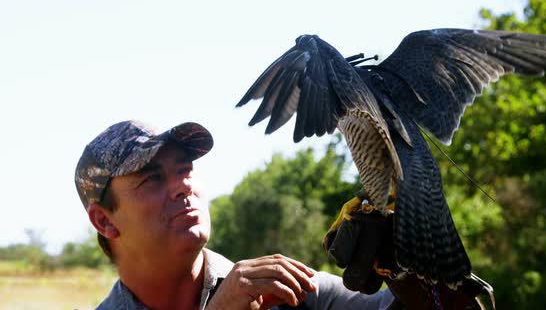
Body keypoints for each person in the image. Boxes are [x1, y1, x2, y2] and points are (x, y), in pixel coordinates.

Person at [74, 119, 394, 310]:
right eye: (152, 178)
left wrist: (411, 267)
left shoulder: (288, 292)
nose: (182, 187)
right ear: (104, 221)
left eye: (185, 169)